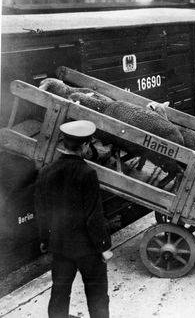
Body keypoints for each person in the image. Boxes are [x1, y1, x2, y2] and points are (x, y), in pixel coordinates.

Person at [35, 120, 112, 318]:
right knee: (97, 295)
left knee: (60, 292)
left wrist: (45, 240)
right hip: (88, 249)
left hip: (60, 248)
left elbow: (41, 211)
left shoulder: (46, 172)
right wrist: (103, 246)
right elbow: (94, 216)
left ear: (63, 143)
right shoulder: (88, 173)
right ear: (85, 146)